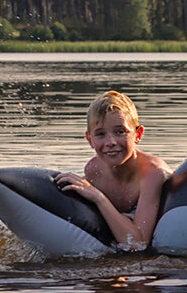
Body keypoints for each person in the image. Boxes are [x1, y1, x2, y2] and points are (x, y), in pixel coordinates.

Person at [54, 90, 171, 251]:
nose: (111, 142)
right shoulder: (94, 170)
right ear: (90, 140)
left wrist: (99, 198)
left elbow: (137, 244)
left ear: (138, 134)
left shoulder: (153, 174)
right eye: (101, 134)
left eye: (120, 132)